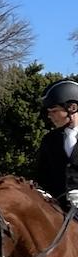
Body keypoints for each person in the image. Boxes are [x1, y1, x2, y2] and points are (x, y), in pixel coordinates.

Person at [36, 79, 78, 207]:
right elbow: (42, 176)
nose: (49, 116)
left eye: (54, 111)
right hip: (57, 212)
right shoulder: (49, 140)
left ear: (72, 108)